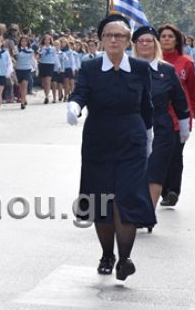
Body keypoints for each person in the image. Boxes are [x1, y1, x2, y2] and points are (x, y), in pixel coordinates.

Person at [67, 14, 154, 281]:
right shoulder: (90, 67)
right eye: (108, 35)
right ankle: (107, 254)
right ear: (101, 40)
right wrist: (74, 106)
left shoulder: (140, 68)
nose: (113, 40)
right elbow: (81, 92)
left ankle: (125, 258)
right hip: (98, 141)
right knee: (102, 200)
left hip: (132, 141)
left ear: (129, 41)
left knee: (126, 198)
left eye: (119, 36)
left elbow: (146, 105)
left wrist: (148, 135)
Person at [132, 26, 189, 221]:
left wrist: (183, 126)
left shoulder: (167, 70)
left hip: (161, 127)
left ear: (155, 44)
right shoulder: (126, 68)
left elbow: (180, 100)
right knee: (134, 169)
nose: (145, 44)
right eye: (141, 41)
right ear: (136, 45)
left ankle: (147, 211)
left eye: (149, 41)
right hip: (133, 126)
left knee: (155, 170)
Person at [158, 24, 195, 207]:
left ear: (177, 40)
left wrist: (194, 107)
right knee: (160, 154)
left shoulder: (186, 62)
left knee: (176, 154)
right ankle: (162, 188)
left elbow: (192, 90)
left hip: (180, 117)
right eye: (163, 36)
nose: (166, 39)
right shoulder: (151, 62)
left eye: (170, 36)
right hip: (158, 116)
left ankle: (172, 190)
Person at [15, 35, 35, 109]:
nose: (24, 42)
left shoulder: (31, 50)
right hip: (19, 69)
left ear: (27, 42)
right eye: (22, 41)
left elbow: (32, 60)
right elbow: (15, 59)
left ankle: (22, 103)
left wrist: (35, 69)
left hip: (27, 69)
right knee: (20, 86)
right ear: (20, 42)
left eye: (25, 41)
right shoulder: (17, 49)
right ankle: (24, 98)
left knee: (24, 85)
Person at [38, 34, 57, 104]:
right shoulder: (41, 47)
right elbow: (38, 56)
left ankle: (47, 96)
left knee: (47, 81)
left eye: (48, 39)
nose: (47, 41)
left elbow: (55, 57)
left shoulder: (53, 48)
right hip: (43, 64)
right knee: (44, 82)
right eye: (45, 39)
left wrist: (58, 66)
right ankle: (46, 94)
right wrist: (39, 50)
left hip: (50, 64)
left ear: (50, 40)